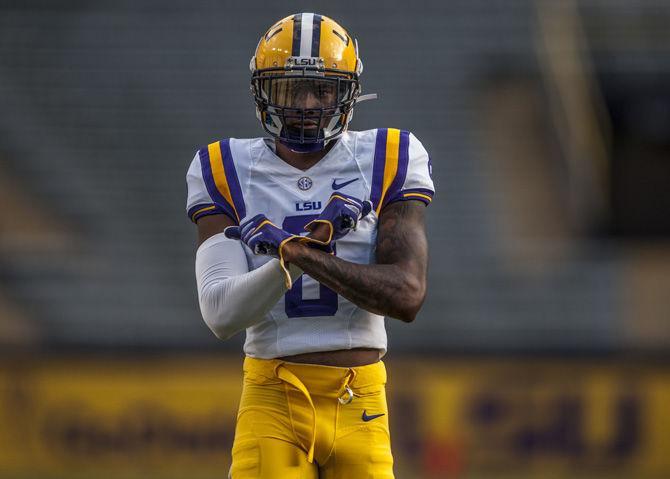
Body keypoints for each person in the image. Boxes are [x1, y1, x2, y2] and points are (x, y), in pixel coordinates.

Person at [185, 12, 434, 478]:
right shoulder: (222, 166)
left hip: (360, 397)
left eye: (322, 89)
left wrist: (299, 253)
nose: (305, 104)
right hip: (271, 396)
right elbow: (220, 314)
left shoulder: (387, 156)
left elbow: (407, 295)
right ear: (263, 92)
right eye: (289, 88)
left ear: (348, 94)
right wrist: (296, 259)